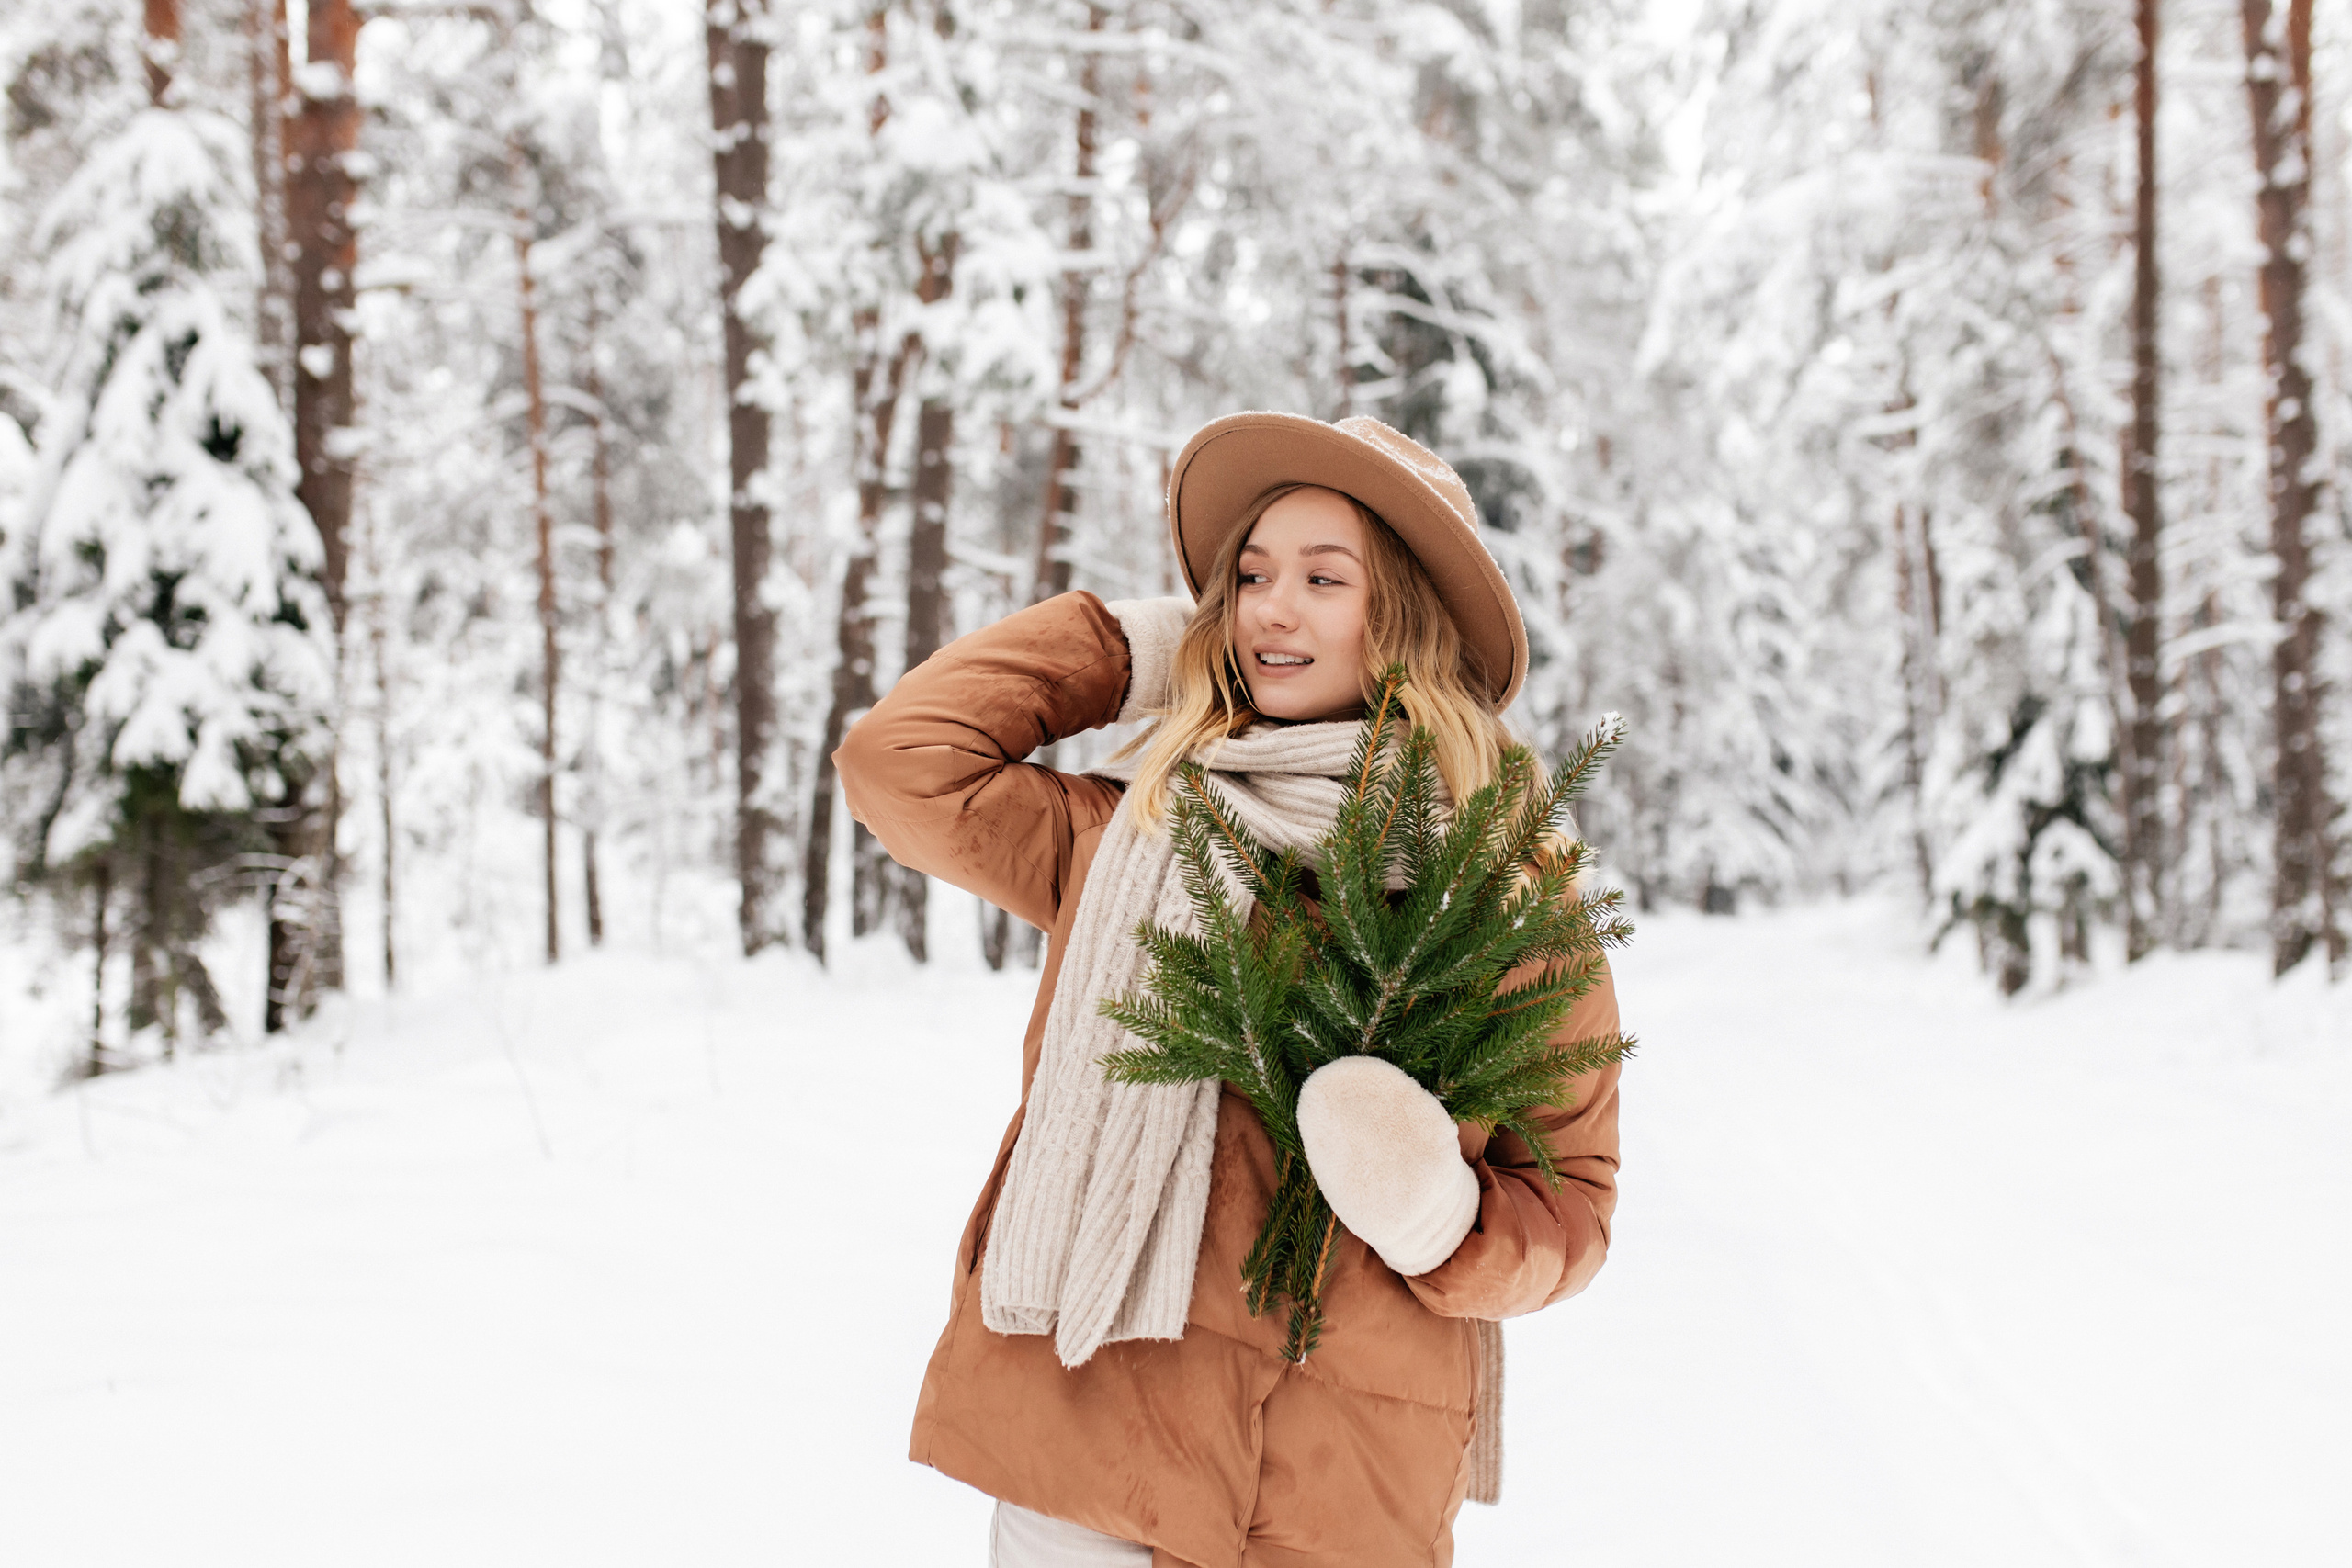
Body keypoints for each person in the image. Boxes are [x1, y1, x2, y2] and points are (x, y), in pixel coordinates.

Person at [836, 412, 1623, 1568]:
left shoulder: (1506, 902)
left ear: (1402, 617)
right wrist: (1133, 649)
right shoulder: (1133, 836)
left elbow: (1575, 1208)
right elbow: (901, 764)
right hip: (1092, 1448)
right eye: (1248, 576)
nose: (1269, 607)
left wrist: (1445, 1222)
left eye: (1321, 578)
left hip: (1339, 1492)